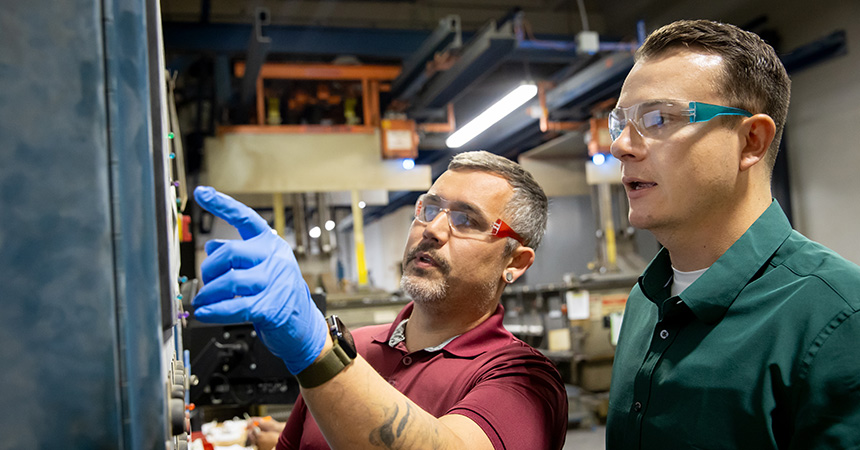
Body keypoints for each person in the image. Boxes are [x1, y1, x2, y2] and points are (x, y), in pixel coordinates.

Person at [191, 150, 568, 450]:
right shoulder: (355, 347)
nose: (433, 230)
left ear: (515, 263)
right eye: (431, 209)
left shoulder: (523, 379)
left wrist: (320, 353)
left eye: (467, 220)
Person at [605, 19, 860, 449]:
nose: (621, 146)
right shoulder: (645, 301)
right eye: (621, 121)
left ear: (751, 142)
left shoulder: (838, 320)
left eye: (658, 118)